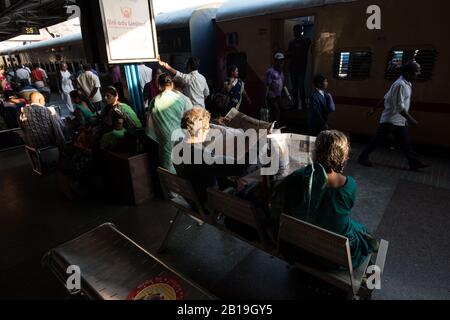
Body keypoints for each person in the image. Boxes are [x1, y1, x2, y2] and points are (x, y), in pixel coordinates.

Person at [271, 130, 378, 269]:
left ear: (316, 153)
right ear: (343, 155)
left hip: (299, 248)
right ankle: (372, 272)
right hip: (335, 257)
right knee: (359, 229)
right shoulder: (349, 185)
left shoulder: (300, 177)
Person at [358, 61, 430, 171]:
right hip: (391, 119)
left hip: (399, 120)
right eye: (416, 71)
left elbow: (385, 97)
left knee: (405, 143)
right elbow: (399, 107)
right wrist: (411, 120)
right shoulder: (399, 85)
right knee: (377, 140)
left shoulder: (407, 83)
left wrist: (373, 109)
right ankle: (362, 157)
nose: (418, 73)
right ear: (407, 72)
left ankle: (414, 162)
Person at [175, 107, 247, 207]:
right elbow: (240, 167)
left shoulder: (178, 144)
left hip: (191, 197)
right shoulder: (199, 156)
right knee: (248, 189)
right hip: (207, 203)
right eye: (207, 128)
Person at [146, 74, 193, 173]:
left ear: (159, 85)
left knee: (169, 170)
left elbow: (150, 124)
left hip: (165, 140)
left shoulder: (154, 101)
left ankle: (173, 187)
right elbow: (191, 120)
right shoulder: (183, 99)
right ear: (172, 84)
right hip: (182, 139)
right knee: (185, 167)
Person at [286, 24, 313, 110]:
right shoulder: (292, 42)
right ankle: (296, 105)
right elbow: (288, 54)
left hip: (301, 68)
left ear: (300, 31)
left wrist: (290, 54)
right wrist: (287, 54)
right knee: (295, 88)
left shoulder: (306, 40)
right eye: (295, 31)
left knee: (300, 87)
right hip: (293, 68)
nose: (295, 32)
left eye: (297, 30)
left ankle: (303, 105)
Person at [266, 53, 291, 124]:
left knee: (281, 112)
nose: (282, 62)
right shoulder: (270, 71)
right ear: (275, 61)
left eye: (282, 60)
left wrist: (288, 96)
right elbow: (267, 85)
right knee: (275, 112)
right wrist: (265, 98)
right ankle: (273, 128)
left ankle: (277, 127)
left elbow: (283, 85)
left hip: (279, 97)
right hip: (272, 96)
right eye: (280, 61)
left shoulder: (281, 72)